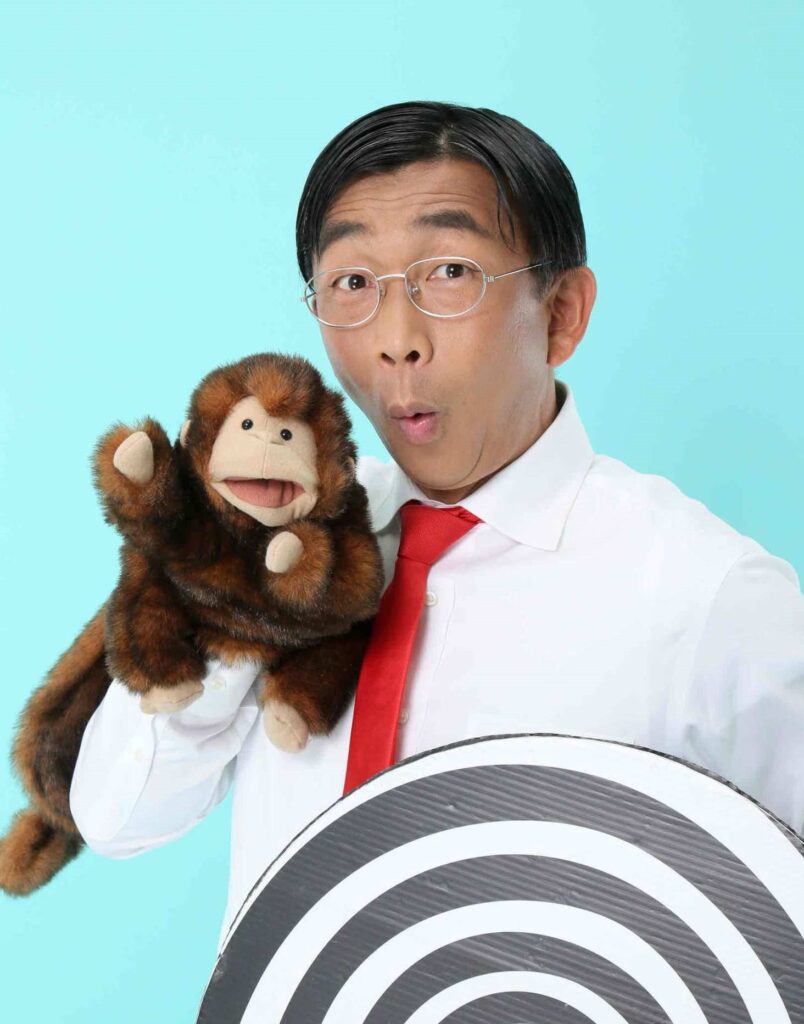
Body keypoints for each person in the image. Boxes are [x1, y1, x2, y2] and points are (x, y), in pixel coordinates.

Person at [69, 100, 804, 954]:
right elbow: (117, 818)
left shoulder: (712, 596)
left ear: (562, 312)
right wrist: (235, 600)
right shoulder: (283, 530)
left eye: (450, 272)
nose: (396, 340)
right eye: (352, 283)